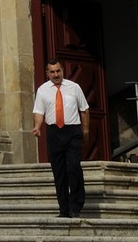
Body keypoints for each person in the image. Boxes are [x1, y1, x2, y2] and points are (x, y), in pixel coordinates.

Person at [33, 58, 90, 218]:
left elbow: (84, 109)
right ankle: (64, 209)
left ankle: (76, 205)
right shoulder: (42, 90)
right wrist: (37, 126)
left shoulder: (74, 87)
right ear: (47, 73)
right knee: (59, 172)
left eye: (58, 71)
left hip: (72, 131)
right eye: (52, 72)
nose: (56, 74)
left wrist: (85, 130)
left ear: (62, 70)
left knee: (74, 167)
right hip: (54, 133)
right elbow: (39, 111)